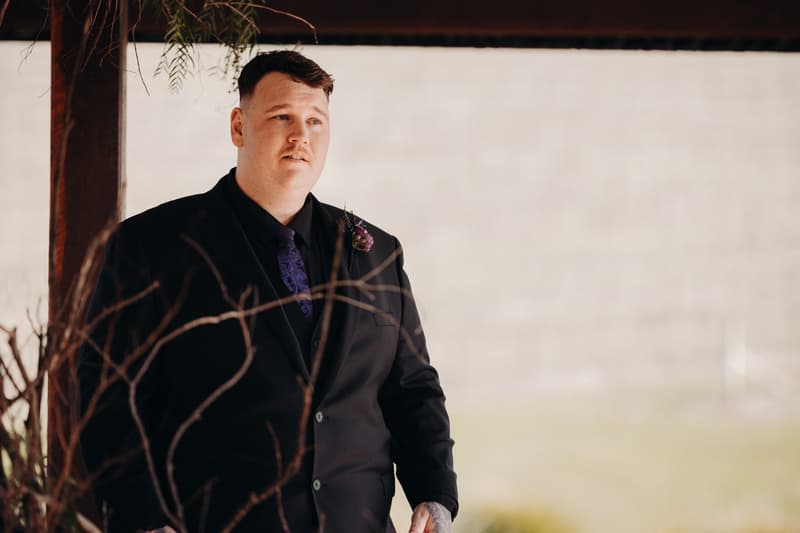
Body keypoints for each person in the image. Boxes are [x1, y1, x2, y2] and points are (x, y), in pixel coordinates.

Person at [78, 50, 458, 533]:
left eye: (316, 120)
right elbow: (107, 396)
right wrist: (144, 522)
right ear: (239, 126)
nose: (301, 135)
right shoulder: (152, 246)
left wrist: (435, 494)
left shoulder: (378, 252)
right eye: (282, 117)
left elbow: (413, 390)